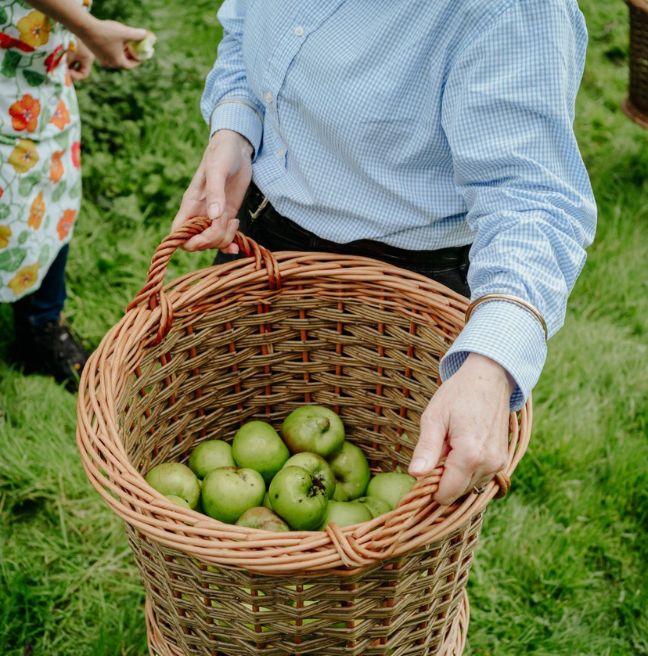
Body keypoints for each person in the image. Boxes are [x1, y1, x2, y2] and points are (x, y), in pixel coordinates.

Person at [172, 0, 597, 505]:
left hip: (405, 288)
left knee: (391, 554)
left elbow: (532, 199)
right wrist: (237, 127)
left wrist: (491, 362)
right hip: (261, 243)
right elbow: (249, 29)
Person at [0, 0, 148, 387]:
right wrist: (85, 25)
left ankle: (40, 330)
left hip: (36, 75)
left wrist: (66, 29)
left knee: (49, 203)